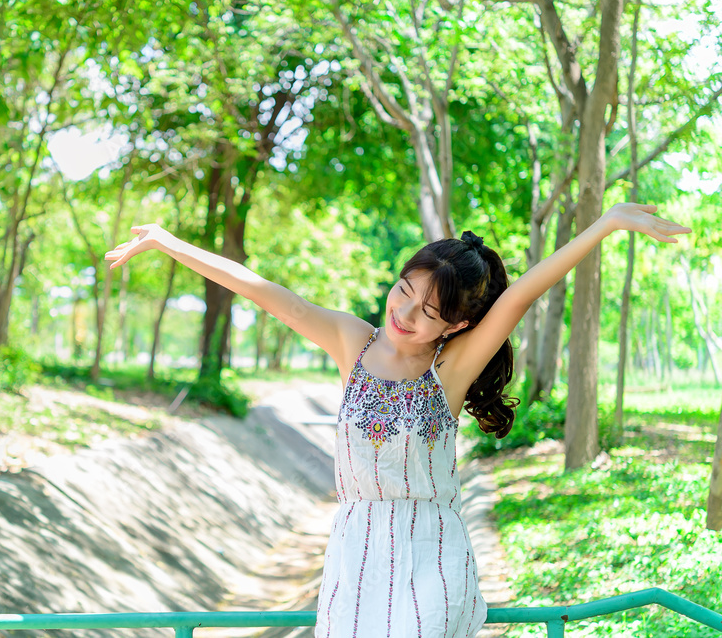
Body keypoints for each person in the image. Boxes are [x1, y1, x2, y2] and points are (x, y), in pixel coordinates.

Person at [104, 203, 690, 637]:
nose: (405, 313)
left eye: (428, 311)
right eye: (403, 291)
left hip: (429, 559)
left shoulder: (452, 369)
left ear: (456, 326)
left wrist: (608, 222)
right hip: (355, 559)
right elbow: (265, 291)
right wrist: (168, 241)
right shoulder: (351, 343)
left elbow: (521, 295)